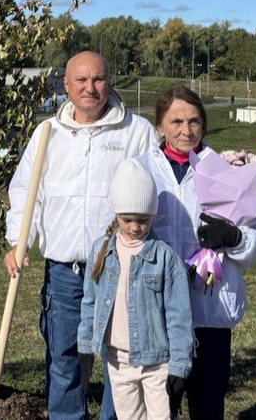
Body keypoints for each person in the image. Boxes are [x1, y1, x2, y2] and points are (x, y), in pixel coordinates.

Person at [4, 51, 159, 420]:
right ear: (66, 86)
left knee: (119, 360)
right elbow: (27, 192)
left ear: (110, 82)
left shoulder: (136, 132)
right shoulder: (47, 134)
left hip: (120, 269)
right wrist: (18, 240)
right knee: (64, 360)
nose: (91, 88)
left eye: (99, 79)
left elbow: (158, 193)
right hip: (64, 272)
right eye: (81, 81)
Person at [135, 87, 256, 419]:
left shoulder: (228, 170)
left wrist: (233, 237)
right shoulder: (141, 170)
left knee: (207, 405)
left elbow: (252, 246)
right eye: (175, 121)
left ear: (204, 125)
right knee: (161, 407)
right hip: (159, 313)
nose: (186, 130)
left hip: (210, 309)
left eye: (194, 121)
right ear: (160, 126)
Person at [78, 158, 193, 420]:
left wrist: (179, 365)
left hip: (157, 362)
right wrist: (85, 344)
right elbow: (90, 301)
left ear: (153, 214)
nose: (134, 227)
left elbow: (179, 317)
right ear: (116, 214)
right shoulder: (101, 250)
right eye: (126, 219)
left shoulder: (166, 259)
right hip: (118, 362)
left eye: (142, 219)